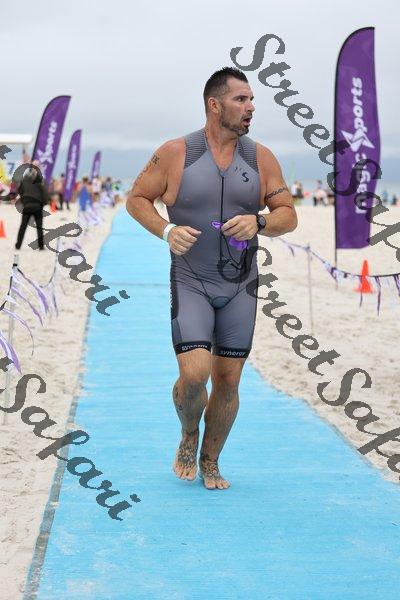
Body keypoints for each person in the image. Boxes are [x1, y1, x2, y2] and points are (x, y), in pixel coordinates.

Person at [126, 67, 297, 490]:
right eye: (241, 99)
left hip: (241, 286)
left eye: (252, 100)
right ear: (214, 105)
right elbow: (137, 198)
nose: (251, 107)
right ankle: (189, 432)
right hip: (192, 281)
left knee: (229, 380)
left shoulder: (261, 158)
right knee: (194, 376)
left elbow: (288, 215)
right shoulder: (175, 153)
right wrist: (166, 230)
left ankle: (210, 458)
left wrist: (260, 222)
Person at [13, 165, 49, 250]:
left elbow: (20, 191)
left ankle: (18, 245)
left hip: (27, 206)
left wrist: (24, 201)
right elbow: (44, 192)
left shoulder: (24, 179)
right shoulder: (39, 179)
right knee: (39, 227)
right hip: (37, 206)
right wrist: (44, 203)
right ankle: (41, 246)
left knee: (23, 226)